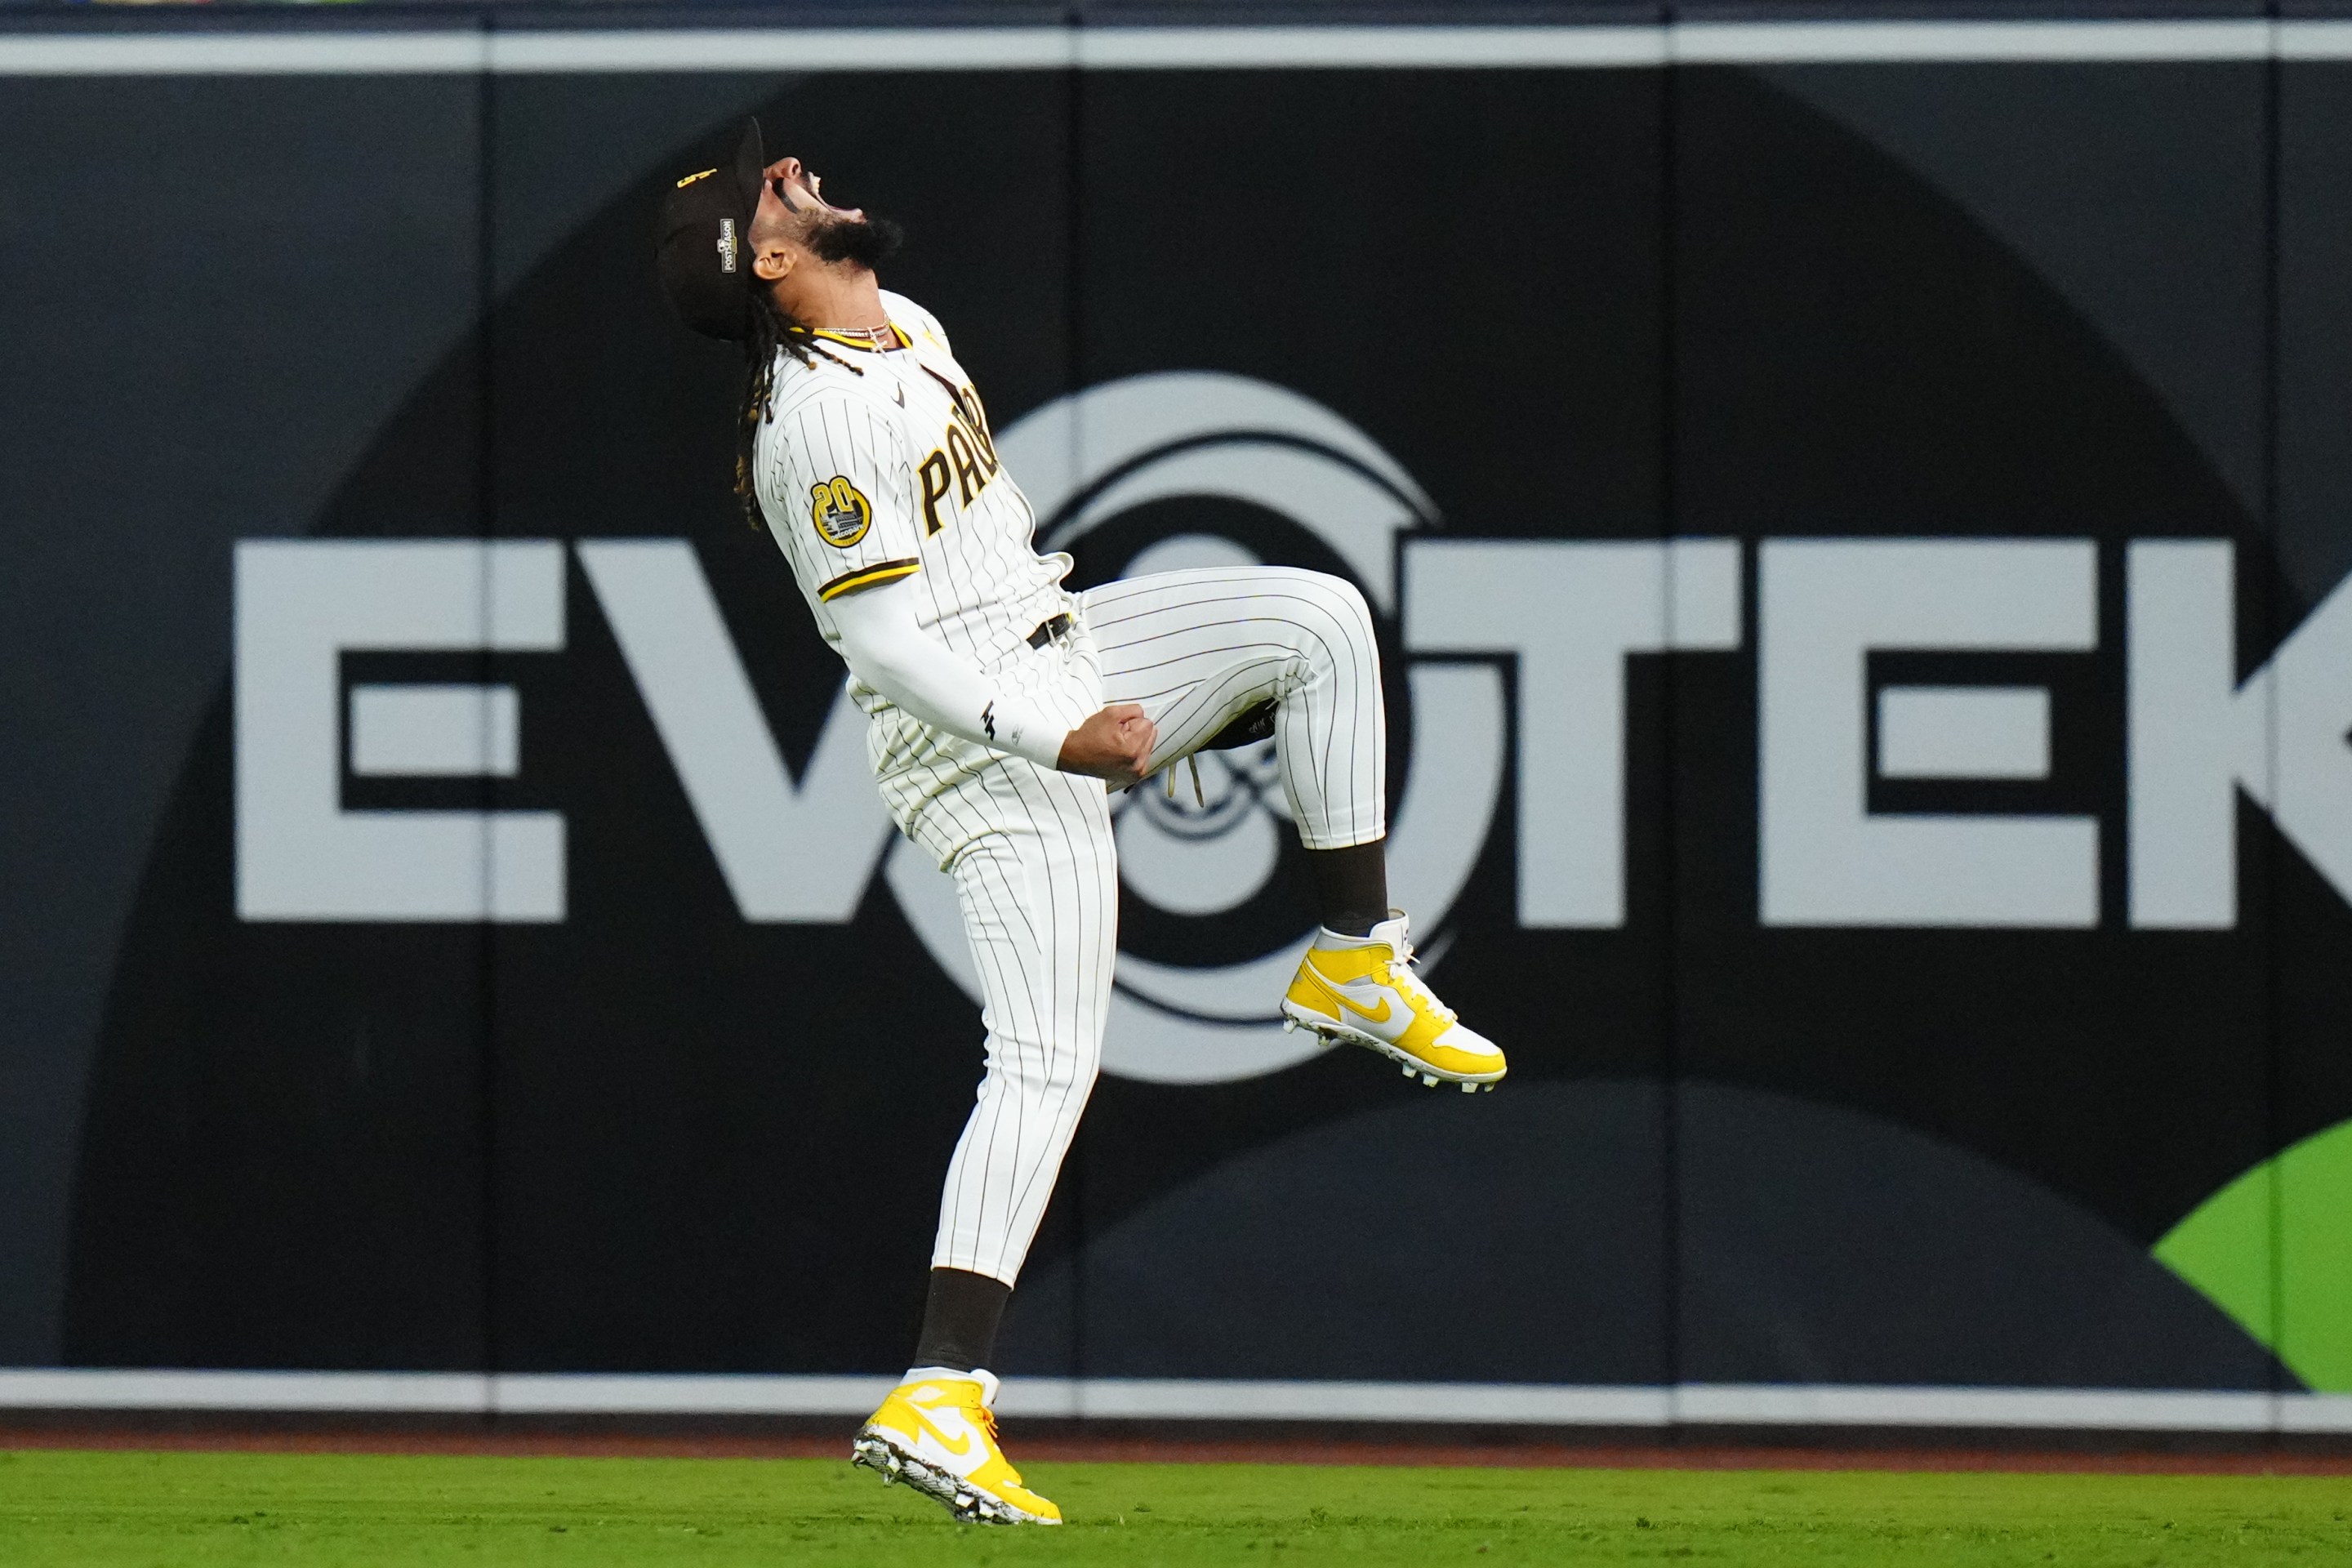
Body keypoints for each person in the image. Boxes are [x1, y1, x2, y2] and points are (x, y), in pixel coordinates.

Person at [656, 121, 1504, 1526]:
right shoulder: (819, 418)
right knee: (1044, 1063)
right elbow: (884, 650)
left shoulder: (896, 323)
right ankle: (941, 1392)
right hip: (976, 740)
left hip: (1064, 645)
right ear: (773, 259)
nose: (795, 169)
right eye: (775, 190)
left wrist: (1114, 699)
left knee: (1317, 620)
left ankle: (1356, 951)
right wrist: (1057, 735)